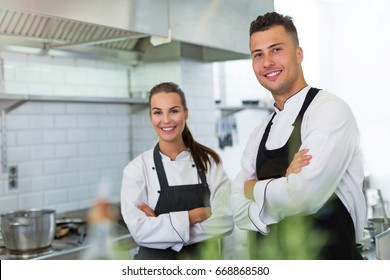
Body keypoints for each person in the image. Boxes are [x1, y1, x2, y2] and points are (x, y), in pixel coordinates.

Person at [231, 12, 366, 259]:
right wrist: (284, 182)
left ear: (299, 53)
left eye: (276, 50)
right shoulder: (259, 131)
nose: (267, 62)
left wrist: (253, 188)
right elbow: (235, 206)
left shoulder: (328, 110)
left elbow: (303, 197)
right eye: (257, 54)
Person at [121, 82, 234, 260]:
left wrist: (162, 225)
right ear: (150, 116)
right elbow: (140, 232)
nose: (166, 120)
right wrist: (194, 216)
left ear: (185, 113)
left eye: (174, 111)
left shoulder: (209, 162)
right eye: (158, 112)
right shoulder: (136, 169)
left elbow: (226, 221)